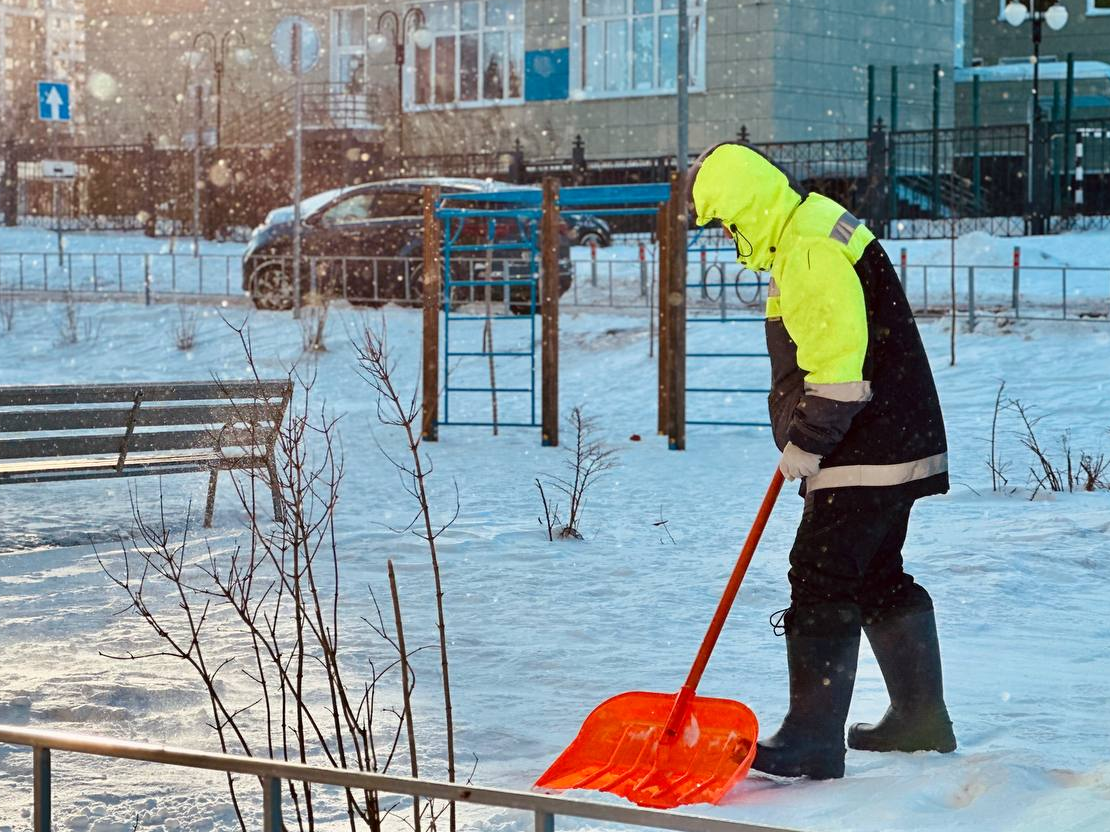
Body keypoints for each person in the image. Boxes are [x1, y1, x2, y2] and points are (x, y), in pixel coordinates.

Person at [687, 143, 957, 780]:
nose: (728, 238)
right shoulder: (810, 223)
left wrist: (807, 445)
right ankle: (919, 718)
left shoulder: (806, 248)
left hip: (863, 446)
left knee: (820, 573)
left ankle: (811, 737)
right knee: (876, 574)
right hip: (896, 438)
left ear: (745, 209)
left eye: (727, 224)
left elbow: (838, 374)